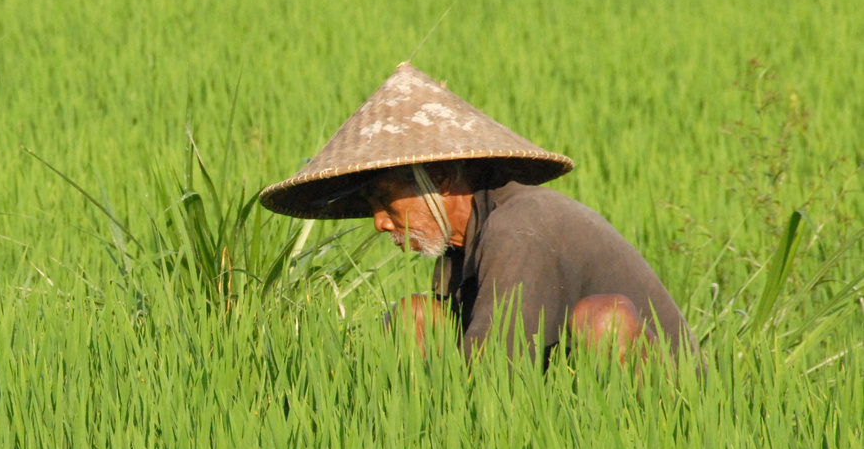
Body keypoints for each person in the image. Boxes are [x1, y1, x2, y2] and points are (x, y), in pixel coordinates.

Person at [259, 63, 689, 363]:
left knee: (602, 323)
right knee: (417, 317)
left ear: (441, 178)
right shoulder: (467, 240)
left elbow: (493, 371)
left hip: (665, 405)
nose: (380, 222)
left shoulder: (518, 229)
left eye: (386, 202)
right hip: (567, 389)